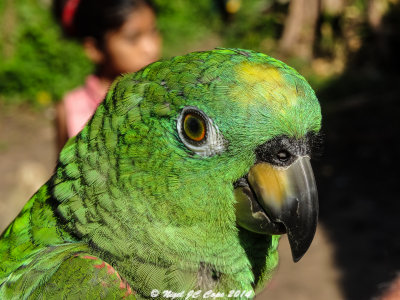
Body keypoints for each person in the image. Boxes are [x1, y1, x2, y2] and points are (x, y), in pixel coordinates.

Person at [53, 0, 162, 151]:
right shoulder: (71, 111)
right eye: (133, 38)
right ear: (94, 48)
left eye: (153, 31)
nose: (151, 48)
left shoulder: (167, 97)